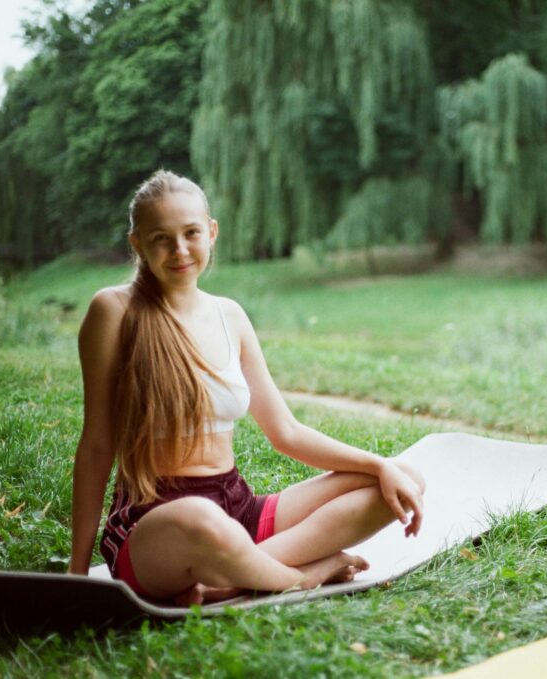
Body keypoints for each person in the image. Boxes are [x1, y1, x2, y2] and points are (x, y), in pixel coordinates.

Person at [68, 170, 425, 604]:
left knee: (404, 480)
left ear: (212, 233)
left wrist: (379, 466)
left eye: (191, 233)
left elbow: (286, 433)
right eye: (161, 238)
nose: (179, 250)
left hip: (237, 508)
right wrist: (78, 571)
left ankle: (229, 576)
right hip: (157, 523)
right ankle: (302, 576)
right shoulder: (114, 311)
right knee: (199, 519)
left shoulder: (229, 316)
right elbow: (96, 445)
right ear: (137, 243)